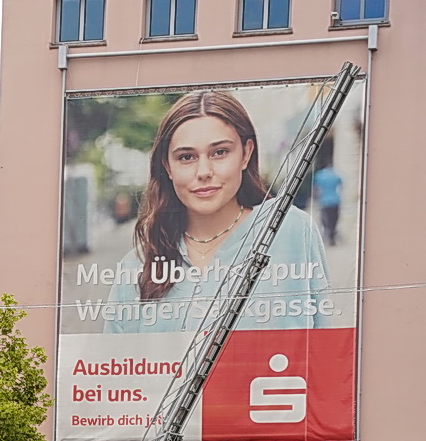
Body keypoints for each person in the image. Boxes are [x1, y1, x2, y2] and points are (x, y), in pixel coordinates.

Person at [104, 88, 332, 334]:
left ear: (245, 154)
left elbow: (323, 350)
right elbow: (116, 367)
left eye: (220, 152)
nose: (204, 171)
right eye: (186, 157)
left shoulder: (289, 230)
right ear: (167, 167)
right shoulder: (137, 267)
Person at [313, 161, 342, 246]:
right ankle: (332, 236)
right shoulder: (335, 175)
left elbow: (316, 188)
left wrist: (315, 198)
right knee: (334, 219)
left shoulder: (320, 175)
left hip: (324, 201)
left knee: (325, 219)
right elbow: (341, 186)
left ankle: (327, 234)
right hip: (335, 200)